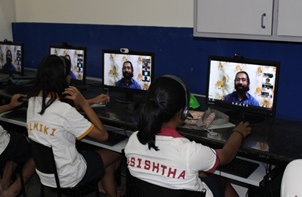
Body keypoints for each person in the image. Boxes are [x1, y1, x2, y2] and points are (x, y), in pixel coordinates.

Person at [124, 75, 252, 197]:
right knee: (221, 182)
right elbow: (227, 155)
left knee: (203, 175)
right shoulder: (190, 152)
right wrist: (238, 132)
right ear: (184, 112)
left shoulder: (134, 139)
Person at [26, 55, 122, 197]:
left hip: (47, 175)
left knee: (102, 160)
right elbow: (103, 135)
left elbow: (63, 115)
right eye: (68, 74)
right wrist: (83, 103)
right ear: (63, 79)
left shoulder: (32, 102)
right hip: (70, 176)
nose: (70, 77)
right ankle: (108, 188)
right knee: (117, 150)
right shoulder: (64, 111)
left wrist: (90, 101)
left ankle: (103, 185)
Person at [0, 94, 36, 197]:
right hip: (3, 145)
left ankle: (3, 184)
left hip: (5, 146)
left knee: (16, 144)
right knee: (38, 148)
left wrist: (10, 106)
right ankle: (13, 191)